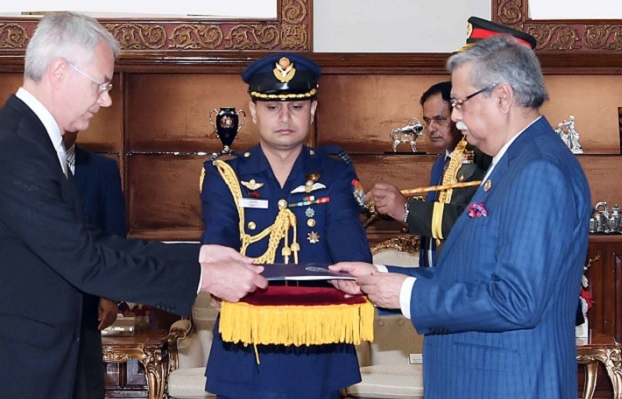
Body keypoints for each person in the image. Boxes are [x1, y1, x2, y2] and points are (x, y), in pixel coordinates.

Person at [0, 11, 267, 399]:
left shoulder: (31, 141)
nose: (107, 99)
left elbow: (93, 242)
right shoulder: (13, 150)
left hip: (39, 367)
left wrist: (201, 258)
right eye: (101, 85)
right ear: (59, 72)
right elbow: (86, 259)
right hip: (2, 374)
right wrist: (203, 278)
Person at [331, 33, 591, 398]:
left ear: (502, 96)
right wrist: (380, 277)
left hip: (507, 384)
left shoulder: (538, 170)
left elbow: (516, 301)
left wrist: (407, 294)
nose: (454, 117)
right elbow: (469, 273)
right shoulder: (512, 163)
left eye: (460, 103)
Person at [199, 53, 372, 399]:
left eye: (296, 106)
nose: (284, 117)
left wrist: (359, 275)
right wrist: (216, 271)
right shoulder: (226, 176)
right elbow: (219, 233)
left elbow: (346, 235)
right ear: (253, 110)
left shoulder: (335, 174)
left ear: (313, 109)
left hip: (316, 345)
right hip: (246, 343)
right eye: (272, 107)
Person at [366, 81, 491, 266]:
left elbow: (472, 218)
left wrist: (408, 210)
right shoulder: (441, 162)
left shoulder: (481, 157)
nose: (431, 128)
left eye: (439, 119)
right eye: (427, 121)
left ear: (459, 115)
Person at [63, 131, 124, 399]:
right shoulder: (26, 164)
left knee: (86, 386)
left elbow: (114, 237)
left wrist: (110, 293)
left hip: (86, 303)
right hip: (34, 302)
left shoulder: (103, 169)